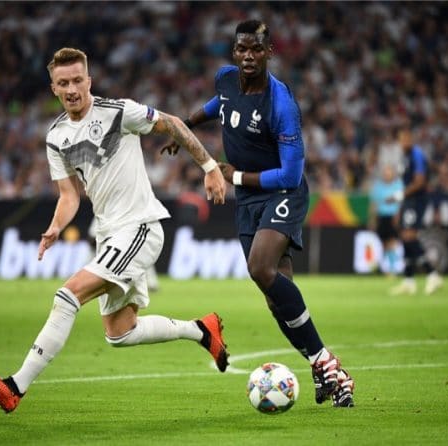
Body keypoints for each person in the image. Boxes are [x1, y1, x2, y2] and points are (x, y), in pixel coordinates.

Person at [0, 47, 229, 413]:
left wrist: (208, 166)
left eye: (78, 80)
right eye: (64, 83)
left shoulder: (118, 112)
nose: (72, 88)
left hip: (140, 226)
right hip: (111, 235)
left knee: (68, 295)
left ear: (89, 81)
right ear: (54, 89)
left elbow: (171, 122)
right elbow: (69, 195)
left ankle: (15, 386)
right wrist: (56, 226)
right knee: (120, 333)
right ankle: (202, 330)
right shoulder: (56, 136)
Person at [162, 20, 354, 408]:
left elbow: (291, 173)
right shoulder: (226, 79)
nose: (248, 56)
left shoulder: (280, 103)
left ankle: (327, 363)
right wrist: (184, 126)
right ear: (234, 53)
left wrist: (235, 176)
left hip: (282, 193)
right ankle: (327, 371)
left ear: (270, 53)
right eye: (242, 49)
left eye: (256, 50)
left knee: (260, 268)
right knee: (274, 297)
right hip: (249, 201)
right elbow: (220, 105)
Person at [390, 127, 443, 295]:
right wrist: (400, 208)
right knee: (405, 238)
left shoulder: (416, 155)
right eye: (401, 139)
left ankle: (432, 275)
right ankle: (409, 280)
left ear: (411, 140)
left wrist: (399, 196)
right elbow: (407, 183)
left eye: (406, 139)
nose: (404, 142)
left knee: (409, 236)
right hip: (408, 201)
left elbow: (419, 182)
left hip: (417, 200)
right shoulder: (405, 157)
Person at [369, 163, 404, 275]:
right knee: (384, 243)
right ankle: (384, 266)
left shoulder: (398, 185)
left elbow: (400, 202)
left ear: (393, 173)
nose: (386, 174)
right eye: (385, 172)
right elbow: (374, 203)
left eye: (389, 171)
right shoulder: (378, 186)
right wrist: (372, 219)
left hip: (392, 216)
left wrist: (398, 216)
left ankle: (392, 268)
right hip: (381, 216)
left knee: (392, 241)